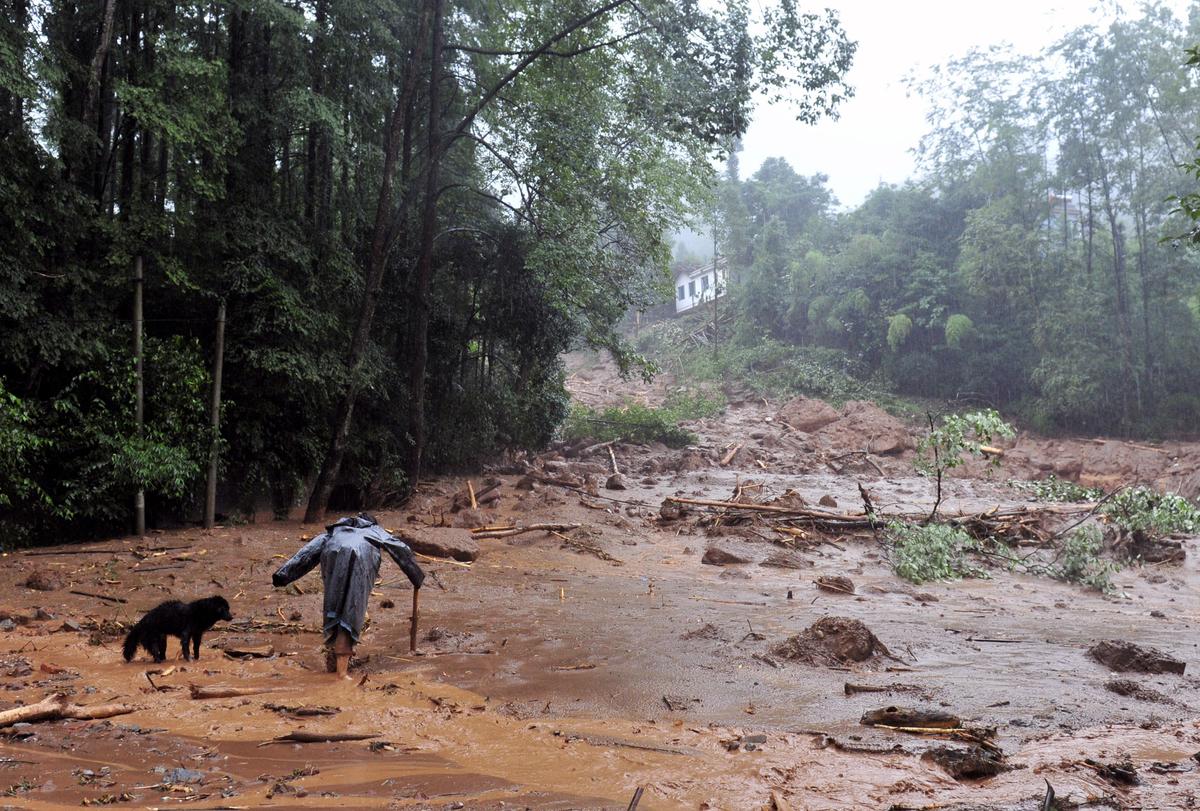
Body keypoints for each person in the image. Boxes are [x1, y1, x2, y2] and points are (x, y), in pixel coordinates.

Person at [272, 513, 424, 678]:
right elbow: (400, 549)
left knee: (334, 607)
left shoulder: (336, 531)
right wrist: (416, 576)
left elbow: (307, 553)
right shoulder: (374, 530)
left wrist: (283, 576)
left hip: (332, 555)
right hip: (361, 558)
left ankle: (335, 658)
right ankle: (342, 674)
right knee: (351, 611)